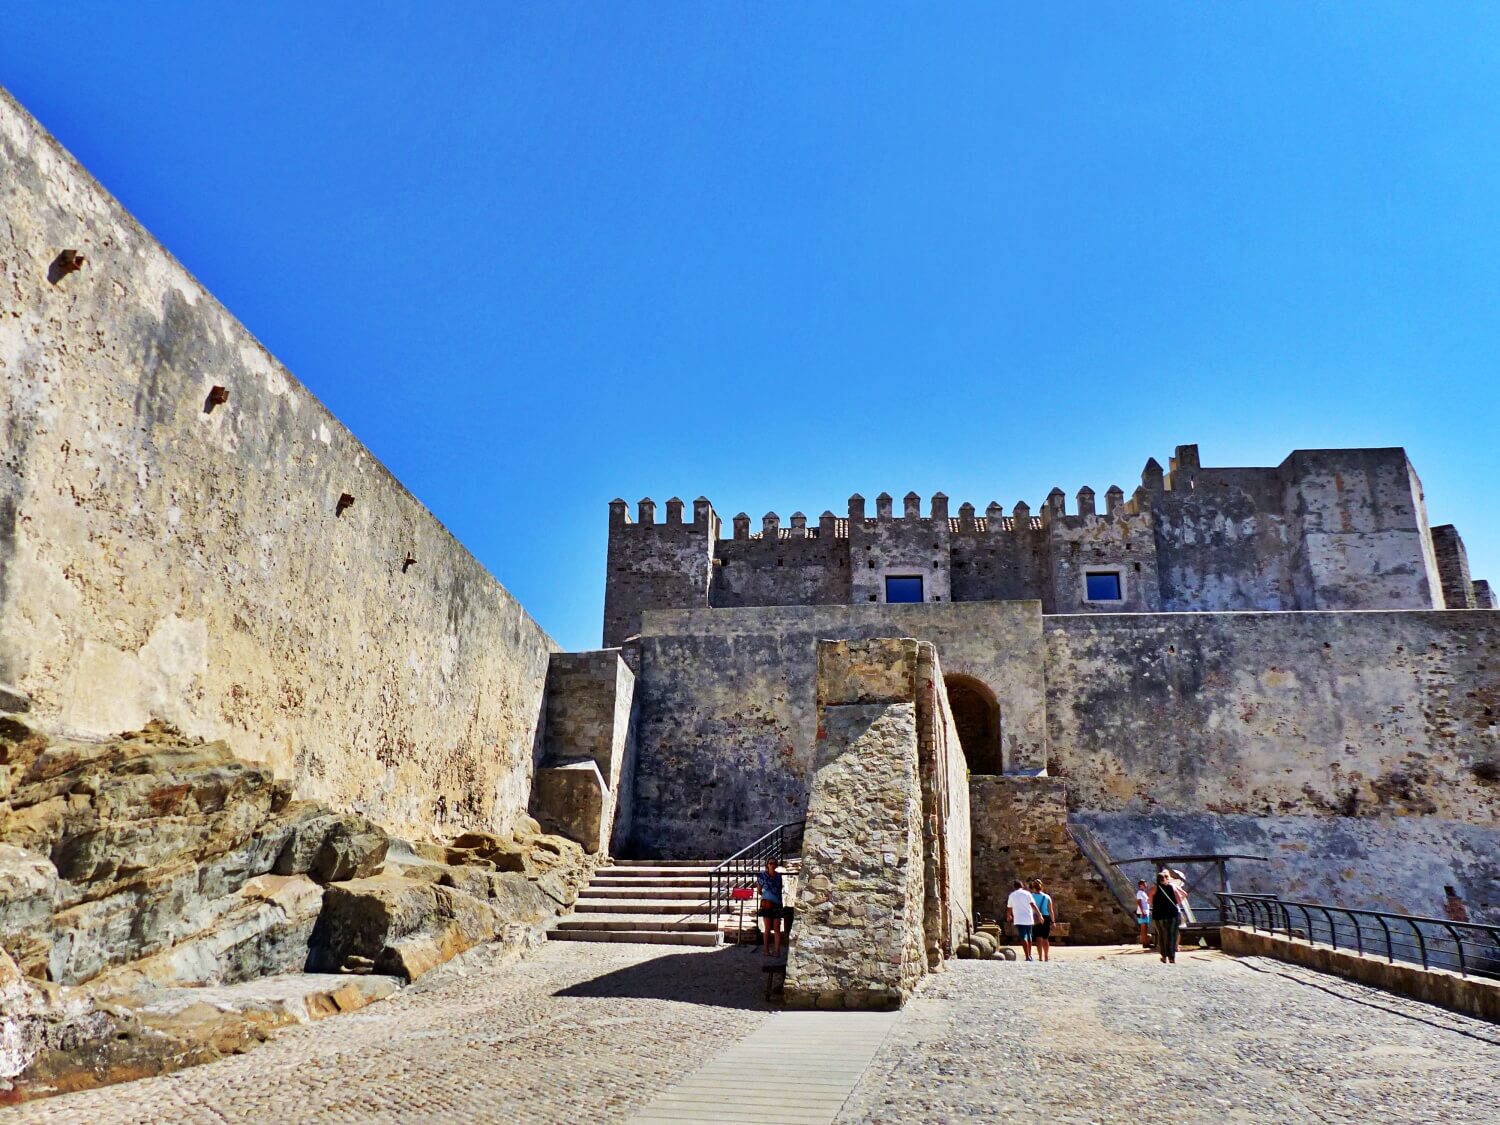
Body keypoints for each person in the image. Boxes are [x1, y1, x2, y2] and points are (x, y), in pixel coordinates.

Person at [757, 858, 788, 958]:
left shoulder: (779, 876)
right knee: (767, 928)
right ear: (767, 865)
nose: (773, 865)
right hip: (767, 904)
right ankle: (766, 950)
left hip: (777, 904)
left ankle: (777, 951)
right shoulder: (762, 876)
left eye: (774, 863)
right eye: (771, 863)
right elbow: (759, 890)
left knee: (777, 928)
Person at [1006, 878, 1041, 961]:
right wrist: (1039, 915)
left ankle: (1027, 955)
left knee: (1023, 936)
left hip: (1019, 918)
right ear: (1022, 885)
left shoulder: (1012, 895)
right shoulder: (1027, 894)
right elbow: (1033, 905)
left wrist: (1008, 916)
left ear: (1014, 887)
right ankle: (1030, 954)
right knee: (1029, 936)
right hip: (1028, 917)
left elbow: (1009, 908)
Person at [1152, 871, 1182, 964]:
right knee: (1171, 935)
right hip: (1172, 914)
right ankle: (1172, 957)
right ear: (1165, 879)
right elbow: (1180, 899)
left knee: (1161, 935)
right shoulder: (1172, 887)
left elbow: (1149, 899)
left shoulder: (1154, 888)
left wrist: (1157, 905)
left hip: (1158, 915)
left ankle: (1164, 956)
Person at [1030, 879, 1055, 962]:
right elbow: (1050, 910)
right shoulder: (1047, 897)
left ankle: (1040, 957)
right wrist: (1053, 921)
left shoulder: (1031, 896)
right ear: (1042, 887)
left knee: (1038, 938)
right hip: (1046, 917)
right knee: (1045, 938)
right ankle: (1046, 956)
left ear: (1033, 887)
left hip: (1036, 917)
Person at [1135, 879, 1152, 949]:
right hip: (1142, 912)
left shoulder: (1143, 893)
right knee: (1143, 928)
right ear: (1140, 885)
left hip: (1145, 911)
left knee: (1146, 927)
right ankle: (1145, 943)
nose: (1146, 885)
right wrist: (1142, 911)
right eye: (1144, 884)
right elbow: (1139, 902)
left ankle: (1146, 942)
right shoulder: (1139, 893)